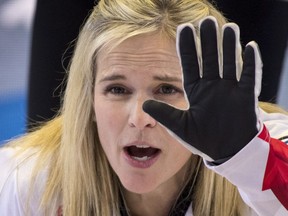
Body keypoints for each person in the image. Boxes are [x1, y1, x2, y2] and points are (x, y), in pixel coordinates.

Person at [1, 0, 288, 215]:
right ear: (87, 100)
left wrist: (245, 157)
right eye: (117, 89)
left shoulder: (260, 146)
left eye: (166, 89)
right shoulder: (20, 182)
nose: (139, 118)